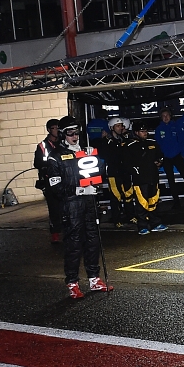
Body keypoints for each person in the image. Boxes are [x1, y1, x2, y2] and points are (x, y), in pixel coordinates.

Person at [41, 117, 111, 299]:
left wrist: (95, 159)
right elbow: (55, 187)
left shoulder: (85, 152)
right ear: (63, 134)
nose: (74, 136)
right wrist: (77, 189)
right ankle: (72, 283)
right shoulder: (55, 156)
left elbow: (100, 173)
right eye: (70, 133)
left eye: (77, 133)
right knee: (74, 244)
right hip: (71, 204)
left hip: (89, 202)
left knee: (93, 240)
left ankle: (94, 279)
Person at [129, 121, 167, 235]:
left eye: (146, 131)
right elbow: (127, 162)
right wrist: (135, 171)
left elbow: (160, 155)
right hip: (140, 179)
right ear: (136, 132)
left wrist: (159, 161)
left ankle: (155, 223)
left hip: (153, 177)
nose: (145, 133)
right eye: (142, 131)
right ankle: (142, 226)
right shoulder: (131, 146)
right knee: (142, 203)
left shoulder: (153, 143)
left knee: (153, 200)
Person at [33, 118, 64, 243]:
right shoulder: (42, 146)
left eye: (58, 128)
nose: (56, 130)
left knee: (68, 206)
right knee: (54, 208)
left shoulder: (64, 143)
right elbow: (37, 163)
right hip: (50, 181)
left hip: (64, 179)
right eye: (53, 128)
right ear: (48, 130)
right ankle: (55, 233)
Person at [101, 117, 134, 226]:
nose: (121, 128)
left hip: (125, 172)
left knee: (128, 194)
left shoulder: (123, 139)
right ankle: (117, 219)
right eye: (118, 126)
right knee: (116, 196)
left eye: (121, 126)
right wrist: (104, 140)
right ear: (112, 128)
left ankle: (130, 216)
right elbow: (104, 155)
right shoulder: (107, 141)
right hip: (114, 173)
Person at [154, 107, 184, 199]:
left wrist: (183, 153)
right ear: (161, 118)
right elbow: (157, 144)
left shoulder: (176, 126)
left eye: (167, 115)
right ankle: (176, 201)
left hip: (177, 156)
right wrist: (160, 157)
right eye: (163, 116)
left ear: (170, 116)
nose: (165, 117)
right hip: (166, 158)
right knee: (170, 180)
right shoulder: (159, 129)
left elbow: (183, 140)